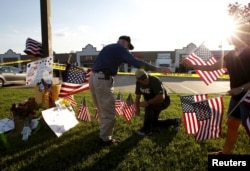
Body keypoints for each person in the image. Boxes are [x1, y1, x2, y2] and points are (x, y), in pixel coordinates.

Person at [181, 22, 250, 154]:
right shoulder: (231, 54)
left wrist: (241, 88)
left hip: (247, 96)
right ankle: (225, 154)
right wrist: (192, 65)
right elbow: (211, 67)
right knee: (232, 124)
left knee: (248, 126)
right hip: (236, 97)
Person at [89, 35, 171, 145]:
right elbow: (136, 62)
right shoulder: (121, 49)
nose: (128, 50)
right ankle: (105, 139)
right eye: (128, 47)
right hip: (103, 79)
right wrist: (157, 69)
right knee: (108, 111)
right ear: (125, 43)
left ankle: (103, 130)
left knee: (101, 107)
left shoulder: (108, 47)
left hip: (93, 77)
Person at [134, 69, 181, 136]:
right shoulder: (138, 83)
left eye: (146, 77)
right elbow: (138, 96)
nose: (145, 80)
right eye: (142, 79)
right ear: (138, 80)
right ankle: (175, 121)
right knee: (153, 123)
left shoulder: (155, 80)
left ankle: (146, 130)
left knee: (149, 106)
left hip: (163, 101)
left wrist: (148, 102)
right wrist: (137, 108)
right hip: (152, 102)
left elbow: (161, 97)